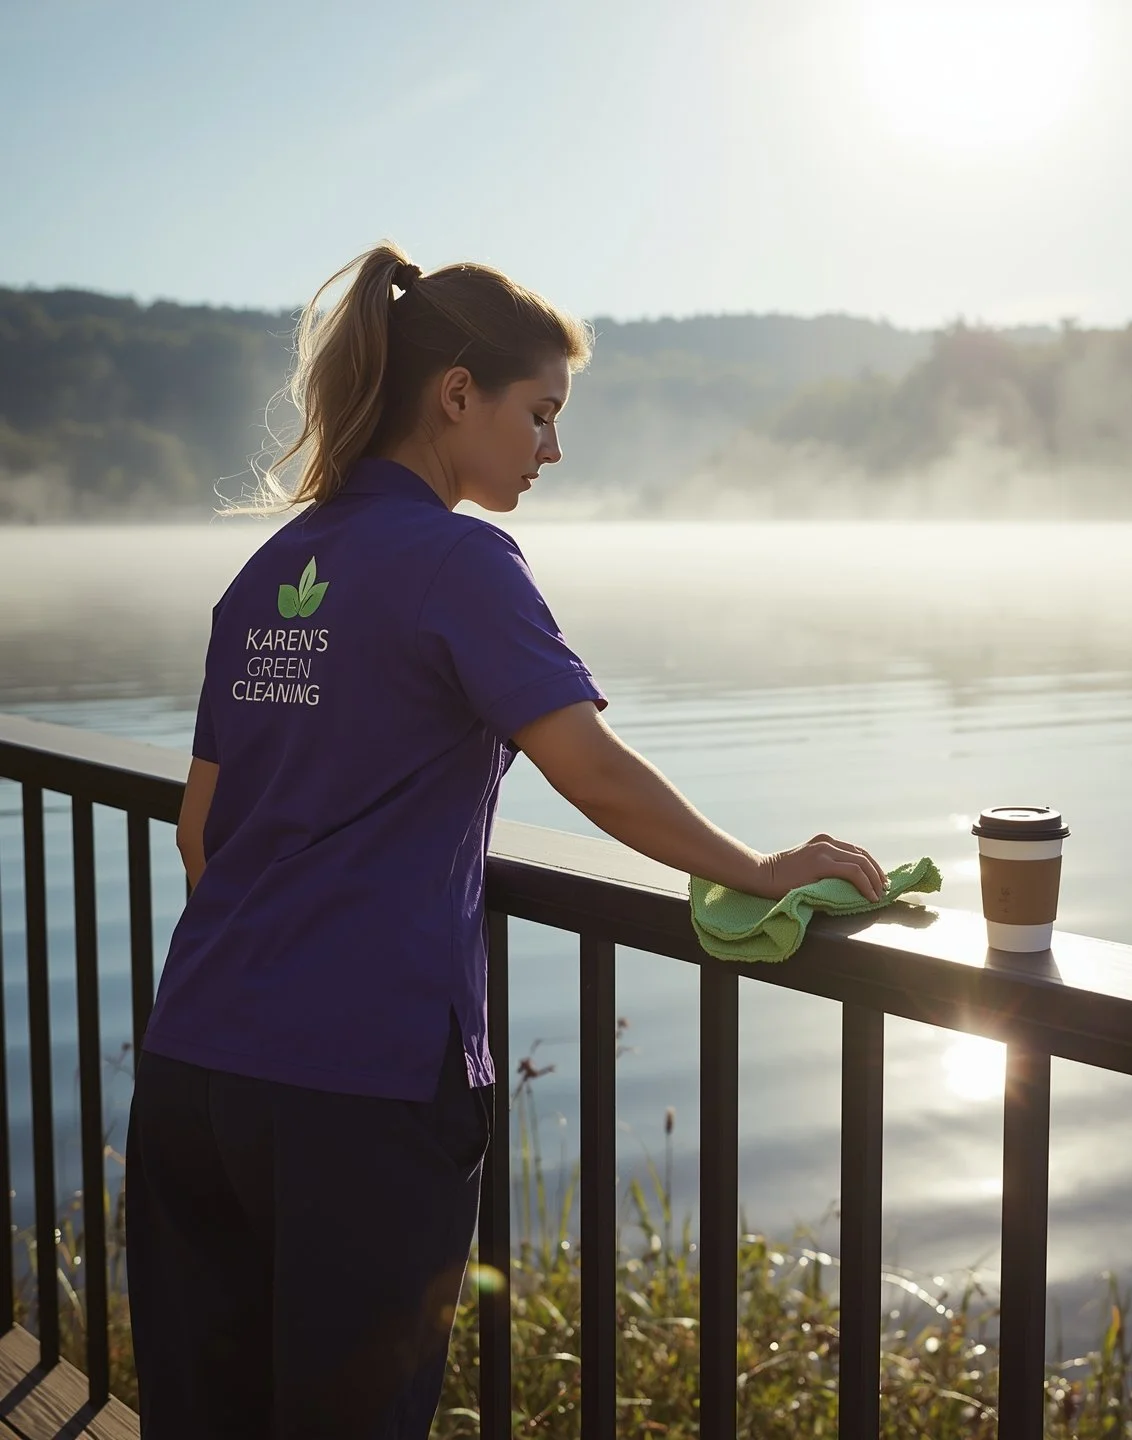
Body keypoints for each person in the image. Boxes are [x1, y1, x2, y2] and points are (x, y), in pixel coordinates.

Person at [123, 241, 888, 1440]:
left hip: (195, 1068)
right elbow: (588, 769)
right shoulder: (459, 561)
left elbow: (201, 833)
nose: (552, 449)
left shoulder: (272, 568)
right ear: (458, 393)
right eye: (541, 414)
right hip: (360, 1091)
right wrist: (761, 870)